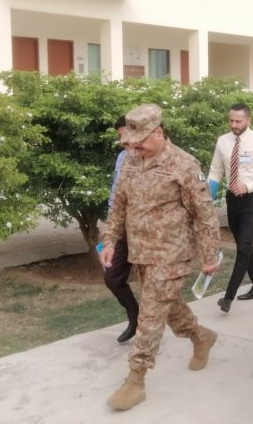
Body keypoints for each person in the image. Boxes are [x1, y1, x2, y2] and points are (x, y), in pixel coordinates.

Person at [98, 104, 221, 411]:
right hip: (140, 251)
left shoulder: (183, 164)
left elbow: (205, 214)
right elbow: (119, 204)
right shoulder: (130, 160)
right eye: (130, 141)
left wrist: (209, 255)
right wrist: (109, 240)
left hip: (171, 253)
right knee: (167, 306)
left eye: (139, 140)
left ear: (158, 133)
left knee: (150, 313)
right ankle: (200, 336)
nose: (133, 146)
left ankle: (135, 379)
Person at [207, 103, 253, 313]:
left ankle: (228, 297)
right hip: (232, 199)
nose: (234, 125)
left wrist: (249, 186)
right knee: (243, 246)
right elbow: (216, 171)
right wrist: (207, 196)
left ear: (248, 120)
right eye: (231, 120)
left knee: (244, 246)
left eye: (238, 121)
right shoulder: (223, 141)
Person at [104, 116, 139, 344]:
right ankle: (134, 316)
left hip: (147, 233)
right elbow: (115, 193)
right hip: (122, 228)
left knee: (156, 289)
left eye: (126, 134)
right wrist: (110, 228)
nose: (123, 140)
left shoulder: (153, 159)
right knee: (112, 277)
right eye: (120, 136)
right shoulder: (122, 157)